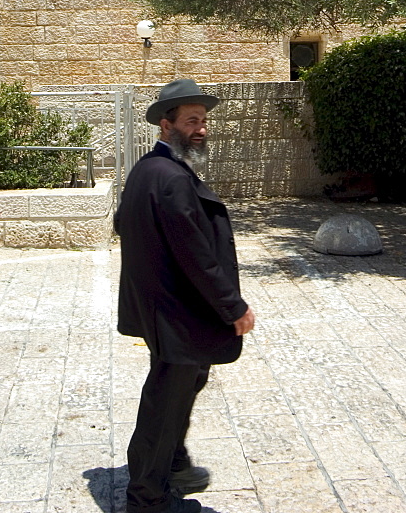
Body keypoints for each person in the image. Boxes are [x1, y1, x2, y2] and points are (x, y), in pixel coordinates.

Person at [114, 79, 255, 513]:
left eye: (204, 120)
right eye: (192, 120)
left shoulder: (147, 170)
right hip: (177, 312)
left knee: (187, 381)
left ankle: (173, 462)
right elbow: (195, 254)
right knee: (166, 398)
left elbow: (123, 223)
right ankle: (147, 498)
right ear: (165, 123)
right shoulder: (170, 178)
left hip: (165, 309)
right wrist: (233, 307)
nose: (201, 129)